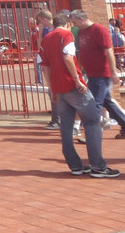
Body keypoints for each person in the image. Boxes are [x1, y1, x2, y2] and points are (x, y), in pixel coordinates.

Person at [40, 11, 119, 177]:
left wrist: (52, 88)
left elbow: (45, 67)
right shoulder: (66, 35)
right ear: (67, 24)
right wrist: (77, 79)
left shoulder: (45, 39)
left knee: (66, 128)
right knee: (92, 121)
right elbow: (68, 57)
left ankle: (75, 165)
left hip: (58, 88)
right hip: (72, 86)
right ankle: (98, 166)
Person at [70, 9, 125, 139]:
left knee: (94, 103)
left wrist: (113, 71)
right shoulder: (83, 32)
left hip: (101, 73)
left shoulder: (99, 30)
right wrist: (79, 68)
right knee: (107, 102)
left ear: (81, 19)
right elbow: (82, 51)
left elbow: (108, 50)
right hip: (92, 73)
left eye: (75, 22)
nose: (74, 25)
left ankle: (93, 134)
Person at [34, 10, 57, 128]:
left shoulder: (55, 29)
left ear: (44, 19)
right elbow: (40, 46)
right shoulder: (47, 30)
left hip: (54, 63)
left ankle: (57, 120)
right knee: (53, 91)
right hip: (49, 61)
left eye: (39, 21)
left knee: (55, 91)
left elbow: (41, 46)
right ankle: (57, 119)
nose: (38, 23)